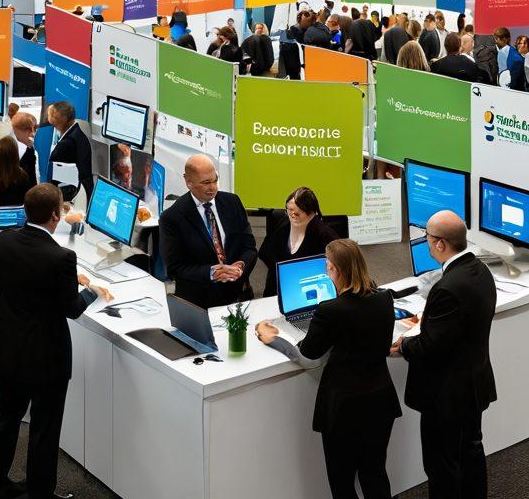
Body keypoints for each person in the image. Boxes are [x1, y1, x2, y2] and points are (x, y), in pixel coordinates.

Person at [0, 183, 111, 499]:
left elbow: (27, 278)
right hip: (46, 359)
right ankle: (40, 493)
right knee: (44, 429)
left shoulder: (4, 240)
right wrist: (91, 289)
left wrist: (71, 278)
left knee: (7, 418)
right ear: (56, 216)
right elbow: (72, 309)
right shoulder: (61, 257)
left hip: (9, 350)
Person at [256, 239, 401, 499]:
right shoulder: (383, 298)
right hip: (380, 401)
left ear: (336, 270)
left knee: (342, 481)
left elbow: (308, 352)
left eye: (328, 265)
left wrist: (273, 337)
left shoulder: (330, 311)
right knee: (374, 473)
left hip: (344, 408)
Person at [391, 211, 496, 499]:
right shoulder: (480, 271)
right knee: (471, 451)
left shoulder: (448, 288)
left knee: (441, 464)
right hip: (474, 383)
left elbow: (430, 346)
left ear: (440, 244)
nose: (426, 244)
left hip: (447, 394)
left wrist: (403, 345)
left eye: (427, 238)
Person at [159, 154, 257, 309]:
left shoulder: (233, 202)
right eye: (206, 183)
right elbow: (175, 268)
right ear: (188, 181)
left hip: (237, 296)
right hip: (198, 303)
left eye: (215, 180)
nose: (213, 187)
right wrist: (212, 272)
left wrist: (240, 266)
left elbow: (249, 247)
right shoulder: (171, 218)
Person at [258, 186, 339, 297]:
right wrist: (282, 270)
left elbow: (336, 265)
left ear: (311, 213)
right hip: (277, 288)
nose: (292, 215)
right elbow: (264, 252)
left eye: (298, 213)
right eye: (289, 210)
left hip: (309, 290)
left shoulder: (325, 235)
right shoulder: (281, 225)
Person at [47, 101, 92, 203]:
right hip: (82, 187)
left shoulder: (66, 144)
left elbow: (55, 177)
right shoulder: (77, 131)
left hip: (72, 194)